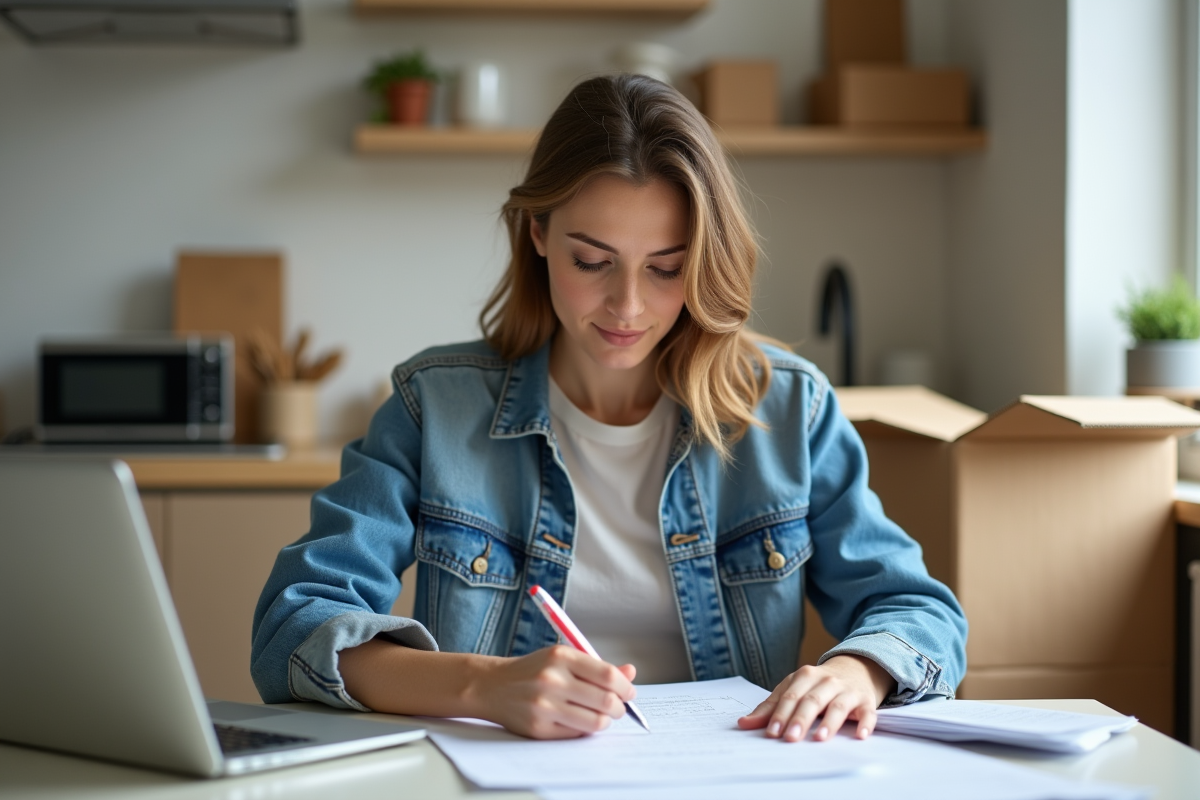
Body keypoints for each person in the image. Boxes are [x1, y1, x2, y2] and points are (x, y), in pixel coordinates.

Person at [251, 73, 967, 745]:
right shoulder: (434, 404)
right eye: (592, 261)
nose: (627, 306)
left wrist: (855, 672)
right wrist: (481, 686)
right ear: (537, 233)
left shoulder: (790, 408)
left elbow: (922, 615)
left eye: (666, 268)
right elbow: (295, 624)